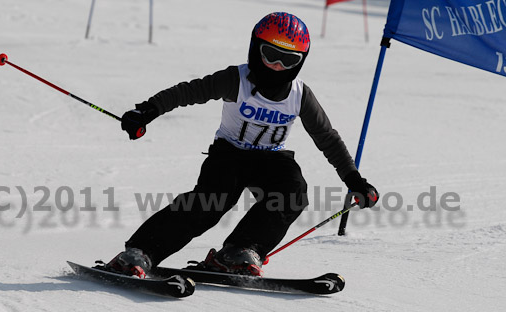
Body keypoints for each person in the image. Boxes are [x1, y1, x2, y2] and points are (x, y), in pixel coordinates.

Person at [107, 12, 379, 279]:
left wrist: (354, 179)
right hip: (229, 155)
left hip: (272, 159)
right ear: (254, 48)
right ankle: (140, 252)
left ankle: (239, 251)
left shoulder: (300, 95)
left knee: (292, 192)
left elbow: (327, 138)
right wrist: (147, 111)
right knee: (209, 203)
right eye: (270, 55)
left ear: (300, 62)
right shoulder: (236, 79)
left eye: (288, 60)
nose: (276, 66)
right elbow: (188, 92)